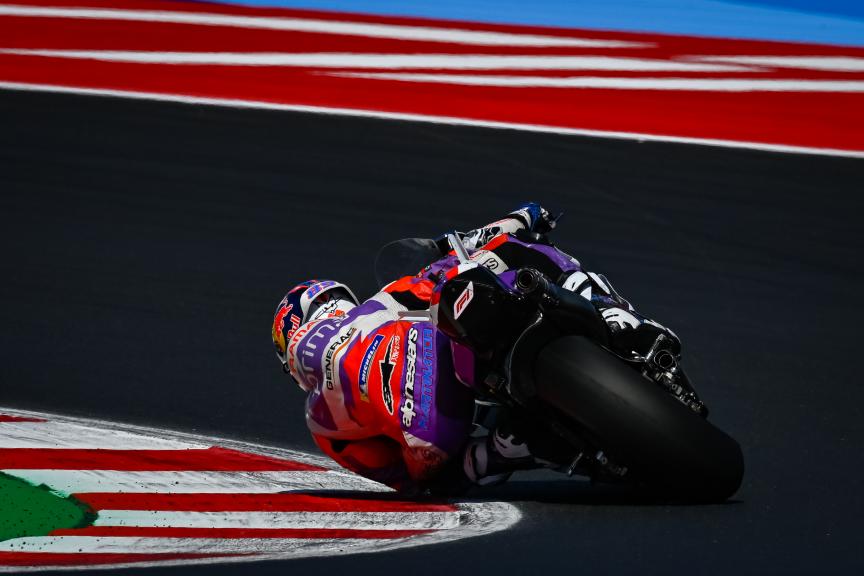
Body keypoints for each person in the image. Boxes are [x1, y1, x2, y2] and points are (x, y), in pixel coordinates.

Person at [271, 203, 679, 493]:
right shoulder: (386, 297)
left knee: (439, 472)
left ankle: (507, 448)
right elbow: (478, 247)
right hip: (454, 358)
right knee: (529, 254)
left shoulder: (323, 422)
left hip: (443, 429)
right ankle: (614, 315)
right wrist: (523, 216)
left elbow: (398, 478)